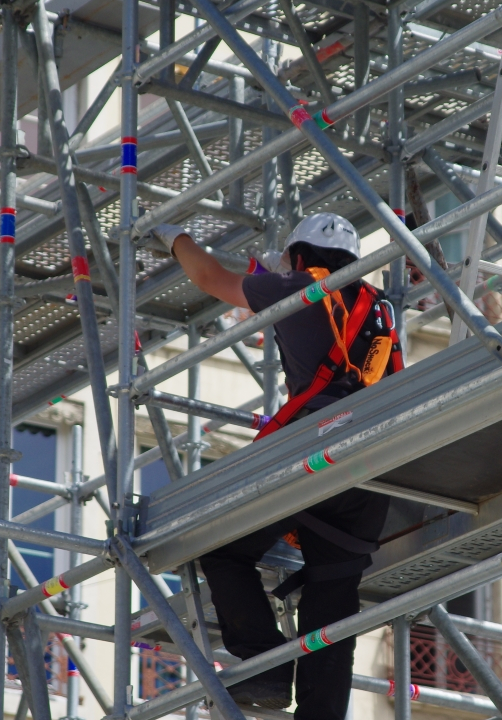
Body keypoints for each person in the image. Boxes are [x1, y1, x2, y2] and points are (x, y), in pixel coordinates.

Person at [150, 213, 403, 719]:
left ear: (303, 258)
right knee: (331, 600)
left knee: (222, 549)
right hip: (374, 463)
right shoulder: (379, 306)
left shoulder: (301, 288)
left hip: (316, 451)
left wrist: (173, 236)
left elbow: (211, 280)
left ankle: (265, 669)